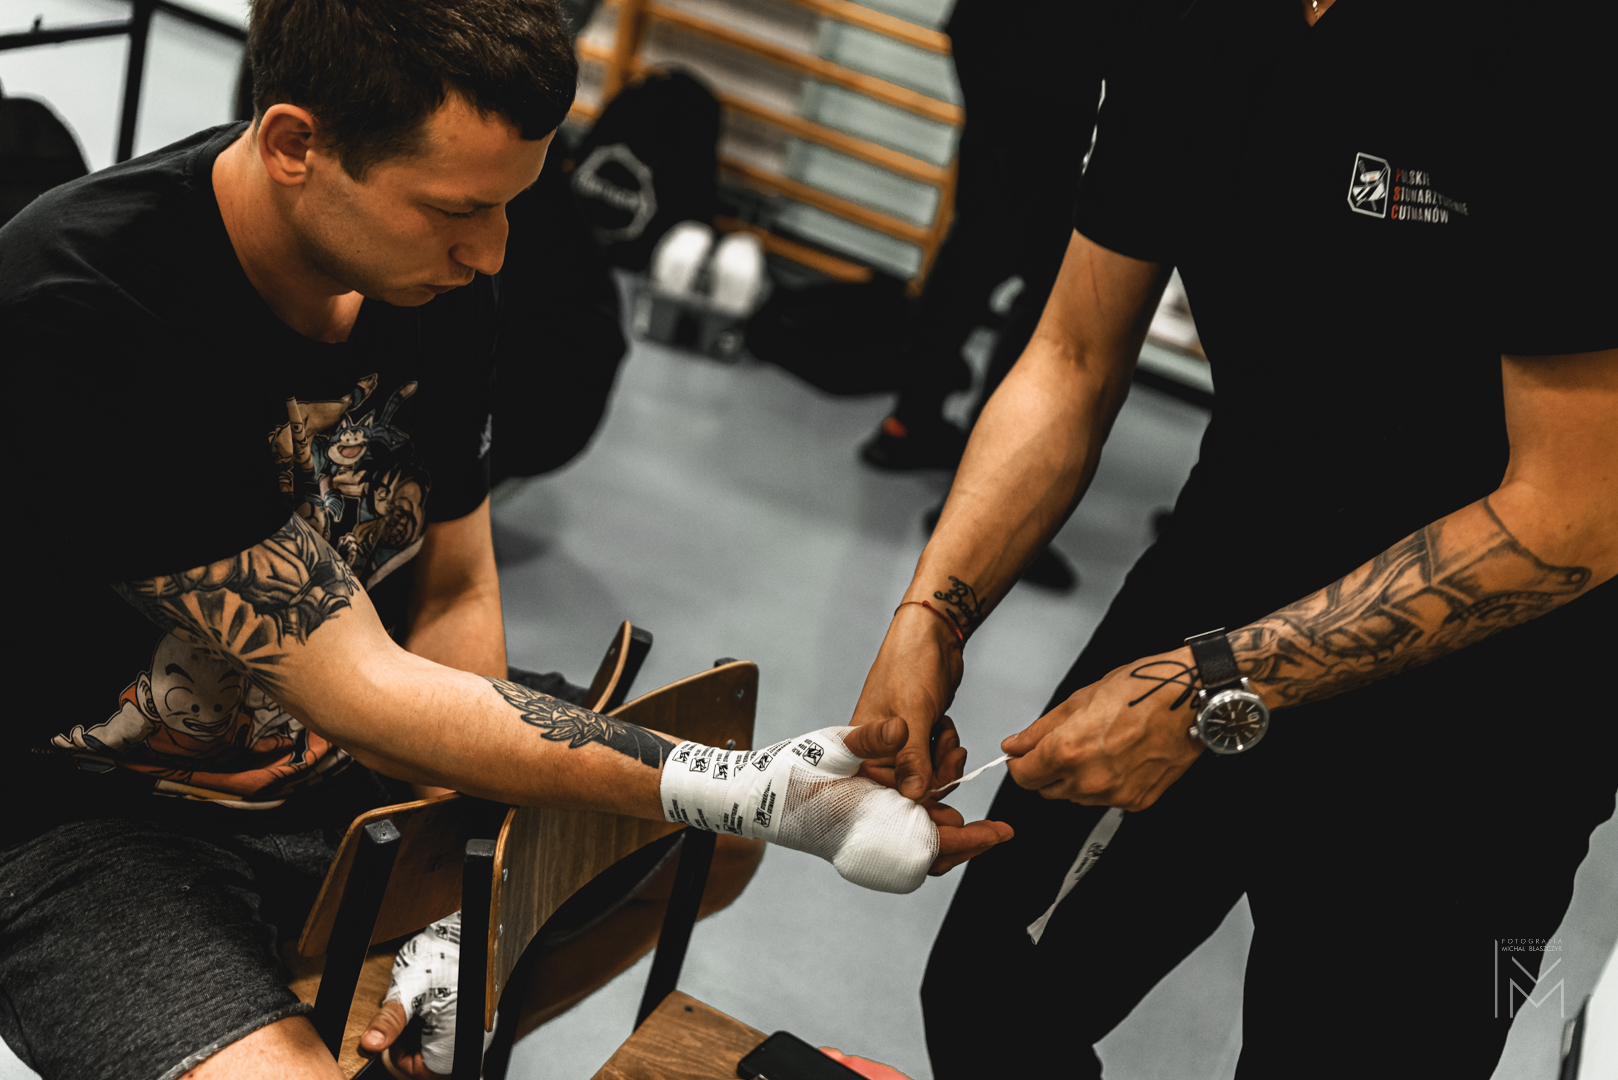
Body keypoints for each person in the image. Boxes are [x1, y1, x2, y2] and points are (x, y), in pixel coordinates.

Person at [0, 1, 1008, 1076]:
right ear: (296, 144)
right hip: (92, 815)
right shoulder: (85, 310)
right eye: (460, 209)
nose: (491, 253)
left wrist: (459, 896)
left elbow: (453, 586)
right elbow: (361, 689)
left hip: (346, 758)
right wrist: (761, 792)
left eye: (511, 204)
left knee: (707, 857)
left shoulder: (427, 266)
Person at [846, 0, 1616, 1075]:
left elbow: (1580, 511)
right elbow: (1071, 355)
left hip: (1498, 692)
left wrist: (1215, 685)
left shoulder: (1563, 38)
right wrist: (932, 616)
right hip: (1235, 562)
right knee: (992, 1000)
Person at [857, 0, 1106, 591]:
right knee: (1051, 288)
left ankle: (910, 424)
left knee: (983, 236)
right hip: (1045, 56)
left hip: (998, 35)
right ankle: (986, 509)